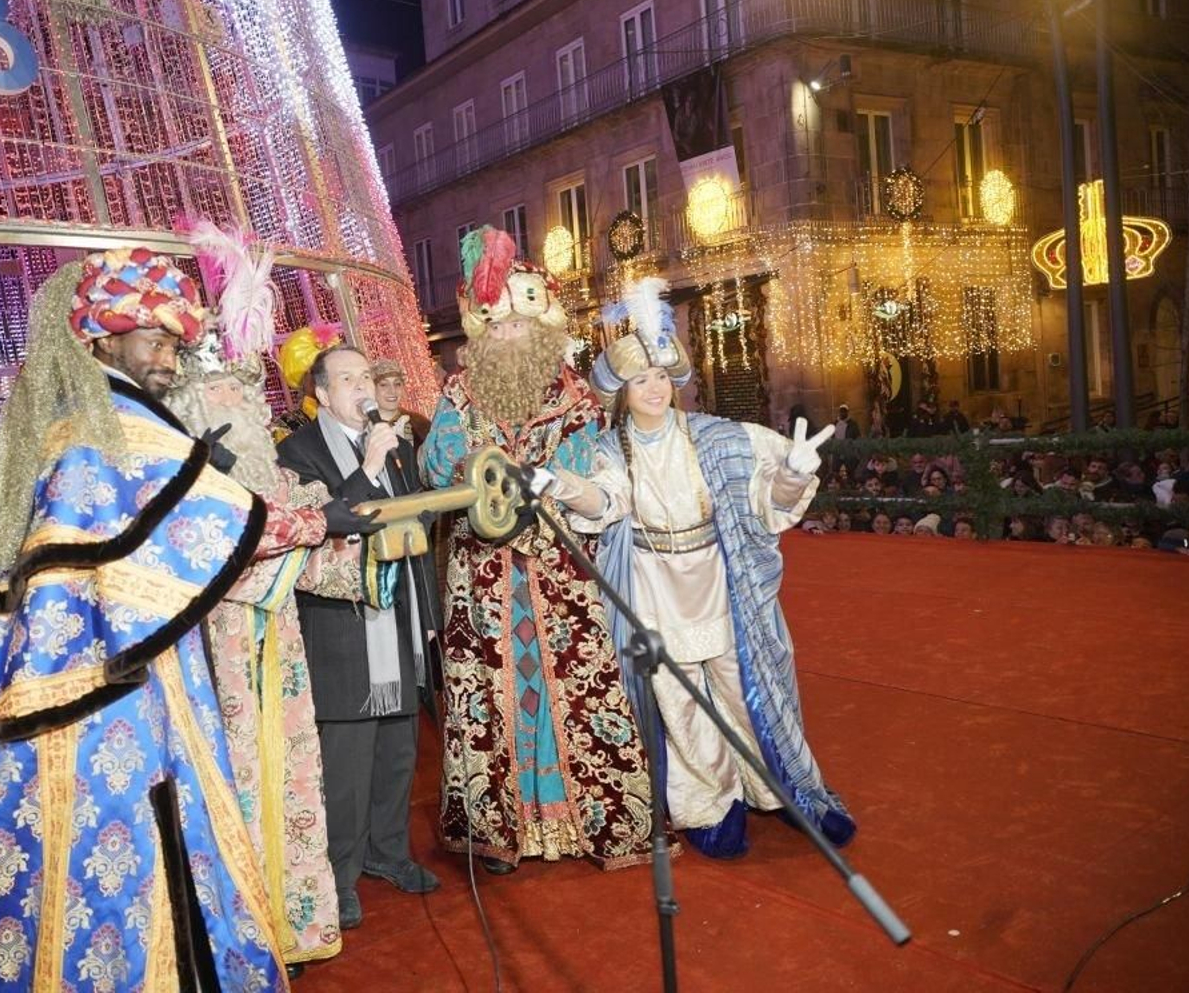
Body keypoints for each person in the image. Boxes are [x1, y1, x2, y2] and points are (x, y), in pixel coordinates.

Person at [0, 249, 289, 989]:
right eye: (155, 341)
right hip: (113, 695)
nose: (167, 359)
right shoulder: (108, 425)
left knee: (48, 854)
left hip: (55, 695)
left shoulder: (56, 424)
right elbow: (213, 522)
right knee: (126, 856)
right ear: (102, 338)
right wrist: (306, 518)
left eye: (176, 345)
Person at [549, 278, 854, 859]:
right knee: (682, 706)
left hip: (719, 583)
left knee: (747, 694)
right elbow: (604, 502)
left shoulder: (720, 438)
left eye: (662, 376)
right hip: (653, 592)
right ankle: (712, 806)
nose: (655, 388)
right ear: (621, 391)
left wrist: (792, 470)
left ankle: (787, 794)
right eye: (641, 379)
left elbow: (770, 494)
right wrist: (569, 486)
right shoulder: (608, 452)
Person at [165, 227, 378, 968]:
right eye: (226, 391)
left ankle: (292, 922)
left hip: (279, 654)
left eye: (247, 391)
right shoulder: (189, 479)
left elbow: (311, 550)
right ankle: (238, 935)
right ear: (198, 402)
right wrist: (322, 523)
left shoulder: (271, 471)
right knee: (233, 787)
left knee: (291, 781)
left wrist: (353, 540)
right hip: (214, 656)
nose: (245, 405)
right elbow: (227, 542)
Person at [421, 226, 652, 873]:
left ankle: (586, 821)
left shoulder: (575, 394)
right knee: (488, 696)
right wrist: (474, 463)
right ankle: (497, 828)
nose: (510, 334)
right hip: (480, 574)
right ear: (481, 328)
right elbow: (437, 467)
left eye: (523, 322)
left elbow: (580, 471)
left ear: (543, 323)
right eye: (498, 325)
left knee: (571, 689)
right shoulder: (458, 393)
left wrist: (548, 497)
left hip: (556, 566)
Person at [277, 345, 442, 929]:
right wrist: (368, 467)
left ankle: (388, 852)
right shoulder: (297, 451)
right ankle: (338, 877)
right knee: (345, 761)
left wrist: (428, 610)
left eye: (367, 375)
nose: (362, 387)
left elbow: (419, 519)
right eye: (347, 378)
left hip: (396, 615)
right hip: (339, 624)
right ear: (321, 393)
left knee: (399, 746)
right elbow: (320, 523)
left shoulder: (394, 445)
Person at [372, 358, 432, 444]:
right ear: (373, 389)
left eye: (397, 384)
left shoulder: (420, 424)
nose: (392, 391)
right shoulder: (364, 427)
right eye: (384, 385)